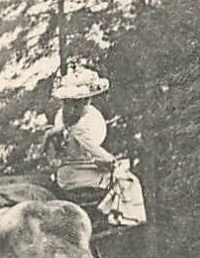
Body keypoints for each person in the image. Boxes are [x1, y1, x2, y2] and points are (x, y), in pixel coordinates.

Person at [44, 67, 146, 229]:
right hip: (79, 178)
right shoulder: (83, 124)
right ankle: (119, 218)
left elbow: (60, 148)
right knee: (128, 179)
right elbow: (93, 149)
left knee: (112, 173)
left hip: (64, 174)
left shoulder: (61, 117)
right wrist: (113, 162)